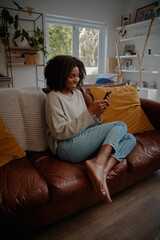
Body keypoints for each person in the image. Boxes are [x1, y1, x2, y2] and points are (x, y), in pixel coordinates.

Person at [44, 55, 136, 203]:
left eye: (78, 76)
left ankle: (102, 172)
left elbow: (85, 125)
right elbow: (59, 132)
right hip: (65, 146)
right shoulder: (54, 97)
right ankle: (98, 163)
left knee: (130, 138)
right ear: (59, 75)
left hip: (81, 140)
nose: (76, 80)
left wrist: (98, 113)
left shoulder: (78, 93)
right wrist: (90, 112)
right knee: (120, 125)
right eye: (71, 76)